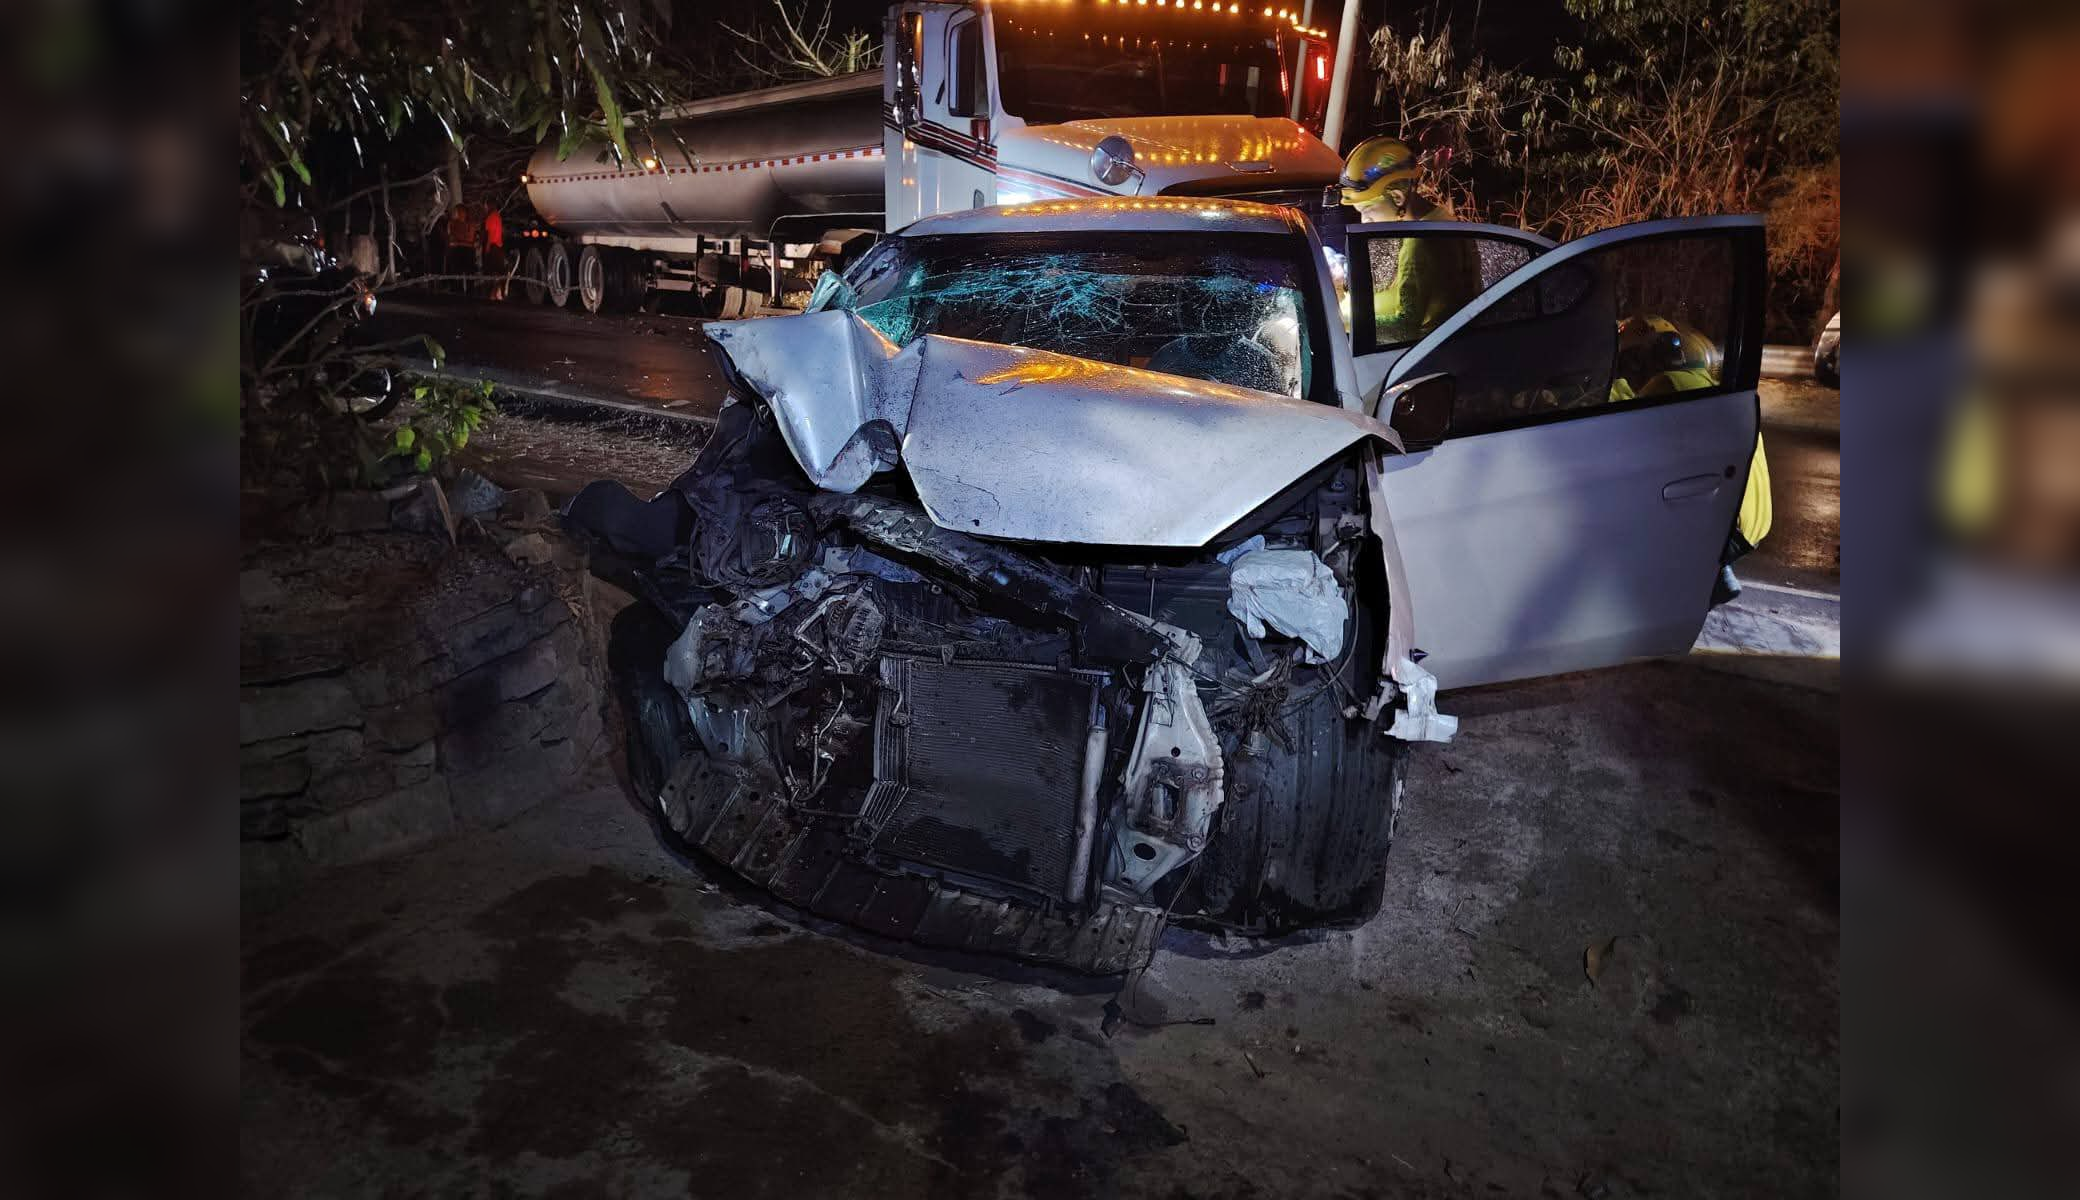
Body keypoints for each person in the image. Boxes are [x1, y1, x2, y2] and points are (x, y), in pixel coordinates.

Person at [1339, 136, 1482, 344]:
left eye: (1367, 210)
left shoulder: (1420, 241)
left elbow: (1405, 327)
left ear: (1397, 197)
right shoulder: (1441, 219)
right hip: (1456, 341)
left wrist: (1342, 322)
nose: (1364, 221)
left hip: (1424, 355)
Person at [443, 203, 478, 290]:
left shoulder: (470, 224)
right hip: (458, 250)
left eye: (458, 211)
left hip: (465, 250)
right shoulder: (452, 223)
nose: (457, 213)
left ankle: (469, 292)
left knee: (468, 275)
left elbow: (470, 237)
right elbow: (451, 236)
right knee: (456, 274)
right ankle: (458, 292)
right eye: (456, 211)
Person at [481, 205, 507, 300]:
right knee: (499, 271)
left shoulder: (490, 218)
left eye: (486, 206)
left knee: (491, 271)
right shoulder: (498, 217)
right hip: (499, 247)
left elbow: (488, 234)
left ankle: (492, 294)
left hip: (492, 247)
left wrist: (486, 248)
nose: (485, 209)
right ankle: (498, 293)